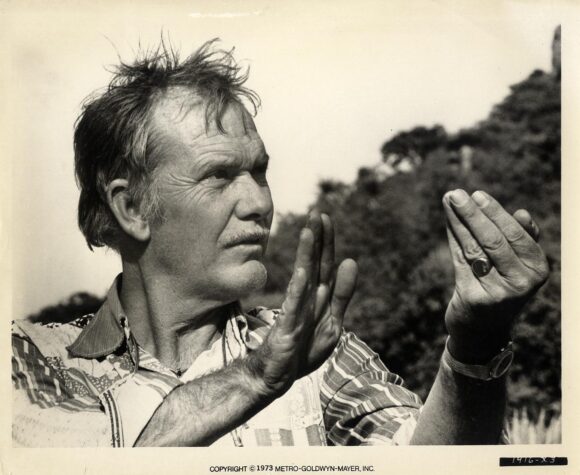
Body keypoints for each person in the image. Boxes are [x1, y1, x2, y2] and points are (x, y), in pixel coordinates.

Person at [12, 40, 549, 447]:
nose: (260, 204)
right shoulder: (31, 360)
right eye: (219, 176)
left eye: (259, 172)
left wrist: (476, 345)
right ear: (131, 208)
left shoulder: (319, 354)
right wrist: (254, 377)